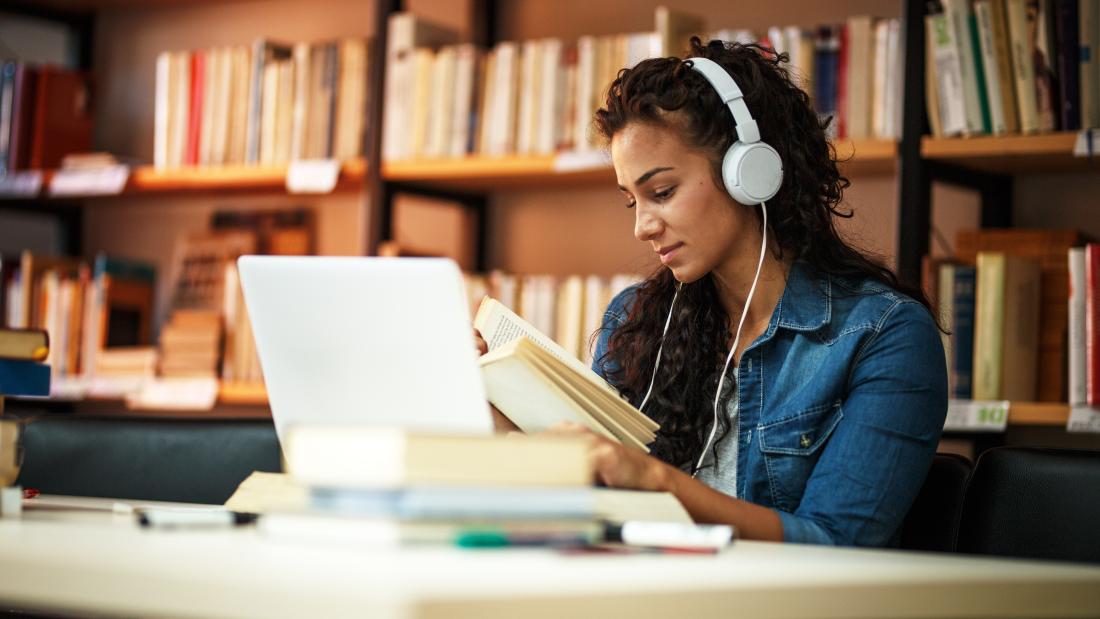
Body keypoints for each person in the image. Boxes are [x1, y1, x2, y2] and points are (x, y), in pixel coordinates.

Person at [479, 38, 947, 547]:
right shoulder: (635, 321)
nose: (642, 227)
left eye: (662, 193)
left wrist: (656, 479)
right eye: (630, 200)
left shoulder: (885, 336)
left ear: (749, 173)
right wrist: (502, 417)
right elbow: (596, 503)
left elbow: (835, 543)